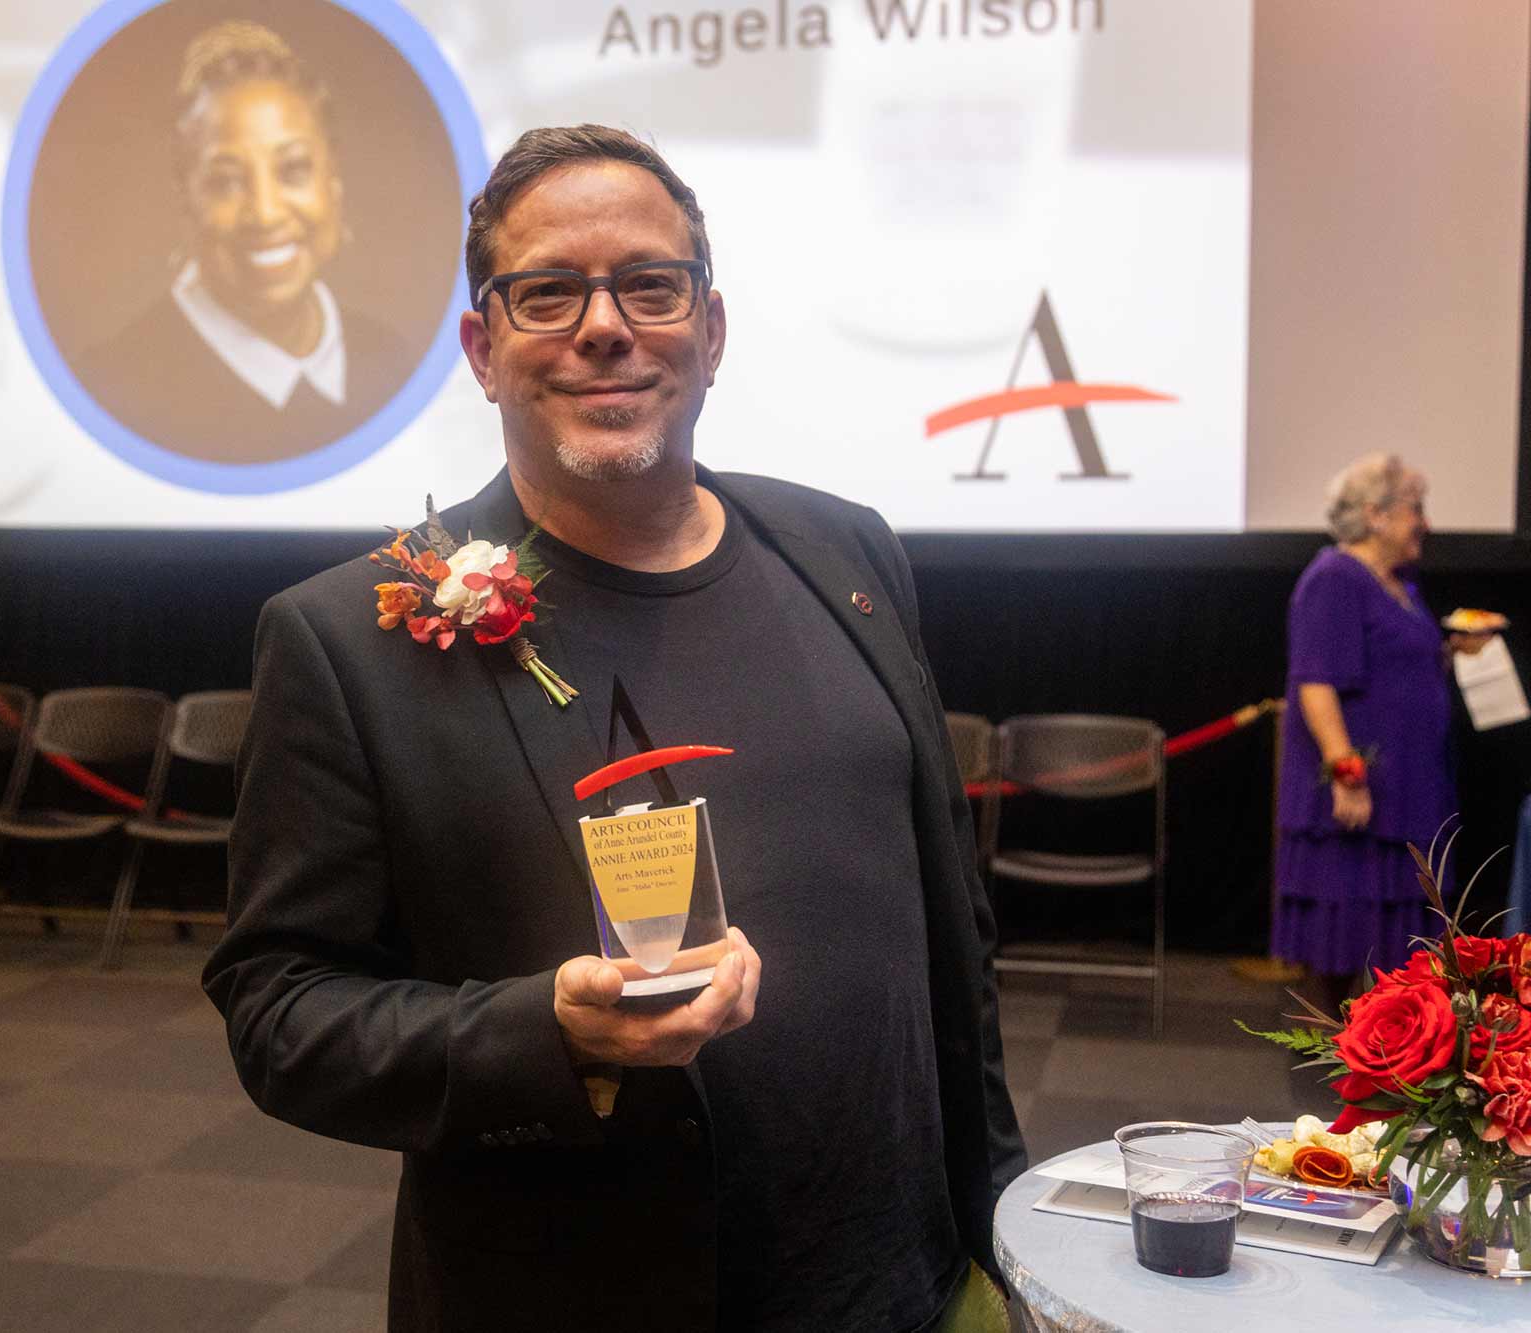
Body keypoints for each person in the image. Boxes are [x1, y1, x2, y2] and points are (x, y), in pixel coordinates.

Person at [203, 125, 1024, 1332]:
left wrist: (998, 1218)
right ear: (482, 350)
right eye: (547, 293)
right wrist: (544, 1034)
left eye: (650, 284)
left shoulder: (846, 553)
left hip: (911, 1286)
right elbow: (281, 1011)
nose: (604, 326)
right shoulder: (348, 638)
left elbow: (949, 931)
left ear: (710, 330)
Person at [75, 20, 408, 464]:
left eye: (293, 170)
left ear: (333, 183)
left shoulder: (392, 360)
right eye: (226, 182)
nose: (265, 213)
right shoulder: (111, 387)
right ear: (185, 198)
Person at [1275, 453, 1491, 995]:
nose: (1425, 522)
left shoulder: (1400, 584)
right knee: (1348, 929)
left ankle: (1390, 1035)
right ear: (1375, 514)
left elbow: (1394, 669)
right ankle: (1340, 1039)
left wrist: (1450, 651)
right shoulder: (1334, 578)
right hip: (1364, 792)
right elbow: (1316, 682)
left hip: (1409, 789)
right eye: (1415, 508)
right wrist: (1346, 774)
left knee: (1400, 943)